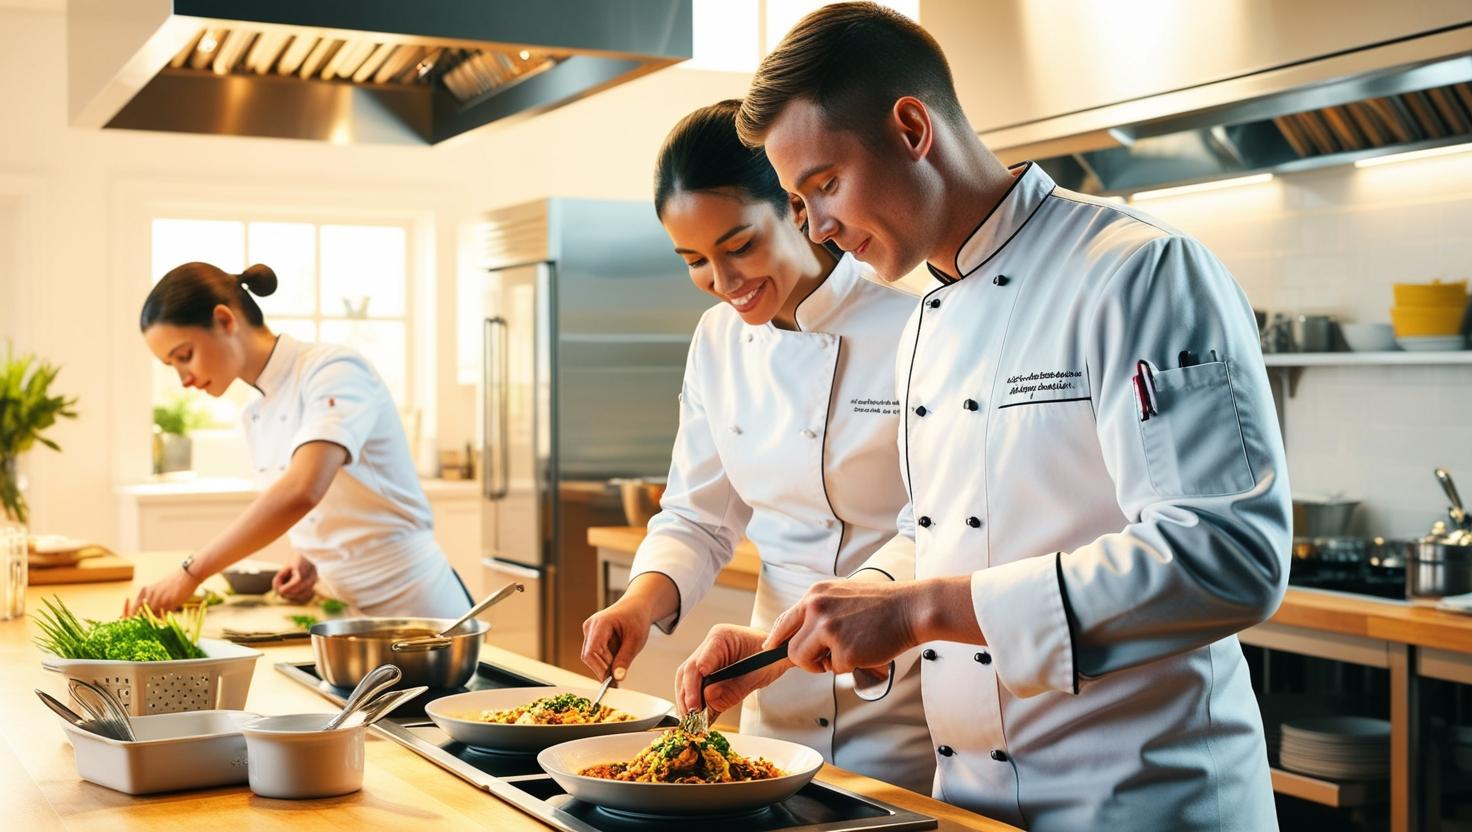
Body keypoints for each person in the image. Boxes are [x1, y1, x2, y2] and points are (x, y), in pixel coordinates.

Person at [676, 5, 1292, 830]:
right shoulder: (930, 314)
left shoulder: (1135, 271)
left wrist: (922, 611)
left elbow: (1229, 554)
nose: (816, 227)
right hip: (972, 805)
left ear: (911, 127)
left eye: (824, 184)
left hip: (1143, 802)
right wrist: (806, 631)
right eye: (796, 202)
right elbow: (941, 532)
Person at [580, 100, 934, 792]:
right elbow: (697, 515)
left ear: (798, 209)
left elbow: (940, 523)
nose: (722, 281)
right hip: (769, 707)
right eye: (694, 260)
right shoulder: (717, 341)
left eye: (739, 245)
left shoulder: (916, 318)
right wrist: (637, 605)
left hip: (908, 705)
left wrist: (807, 635)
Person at [128, 262, 472, 619]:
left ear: (225, 320)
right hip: (339, 605)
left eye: (184, 356)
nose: (183, 378)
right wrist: (311, 556)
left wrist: (192, 572)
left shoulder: (333, 370)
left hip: (414, 602)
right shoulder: (255, 412)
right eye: (172, 365)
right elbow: (335, 495)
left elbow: (302, 489)